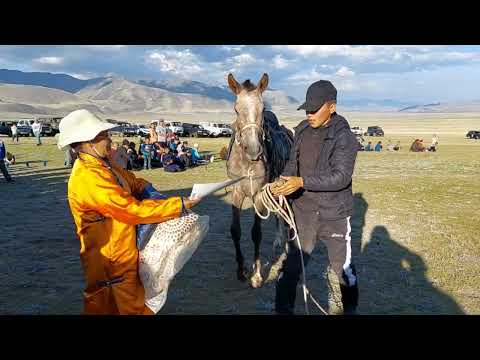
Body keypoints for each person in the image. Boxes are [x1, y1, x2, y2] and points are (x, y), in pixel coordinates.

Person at [57, 109, 201, 315]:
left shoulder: (104, 165)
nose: (109, 140)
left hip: (122, 253)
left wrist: (148, 189)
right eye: (104, 136)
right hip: (110, 260)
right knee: (117, 307)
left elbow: (132, 181)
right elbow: (129, 210)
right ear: (87, 142)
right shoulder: (88, 177)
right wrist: (178, 205)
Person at [271, 80, 359, 315]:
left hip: (334, 215)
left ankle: (350, 310)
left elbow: (340, 177)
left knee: (343, 270)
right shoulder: (301, 130)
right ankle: (282, 310)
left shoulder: (345, 137)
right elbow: (292, 163)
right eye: (307, 109)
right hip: (303, 213)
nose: (309, 114)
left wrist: (301, 182)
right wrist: (284, 180)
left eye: (314, 109)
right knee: (291, 267)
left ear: (331, 107)